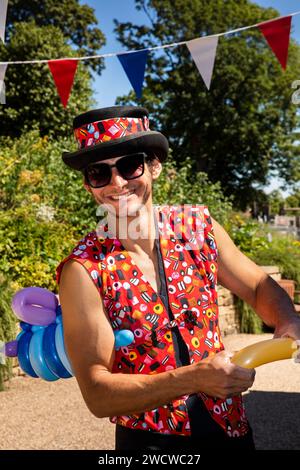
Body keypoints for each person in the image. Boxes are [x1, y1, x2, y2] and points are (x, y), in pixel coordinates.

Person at [56, 106, 300, 451]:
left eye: (129, 165)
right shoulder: (83, 270)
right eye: (99, 172)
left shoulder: (199, 227)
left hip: (232, 430)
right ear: (88, 184)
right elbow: (98, 394)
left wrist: (287, 319)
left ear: (154, 165)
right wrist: (194, 379)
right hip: (150, 445)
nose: (118, 183)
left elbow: (259, 285)